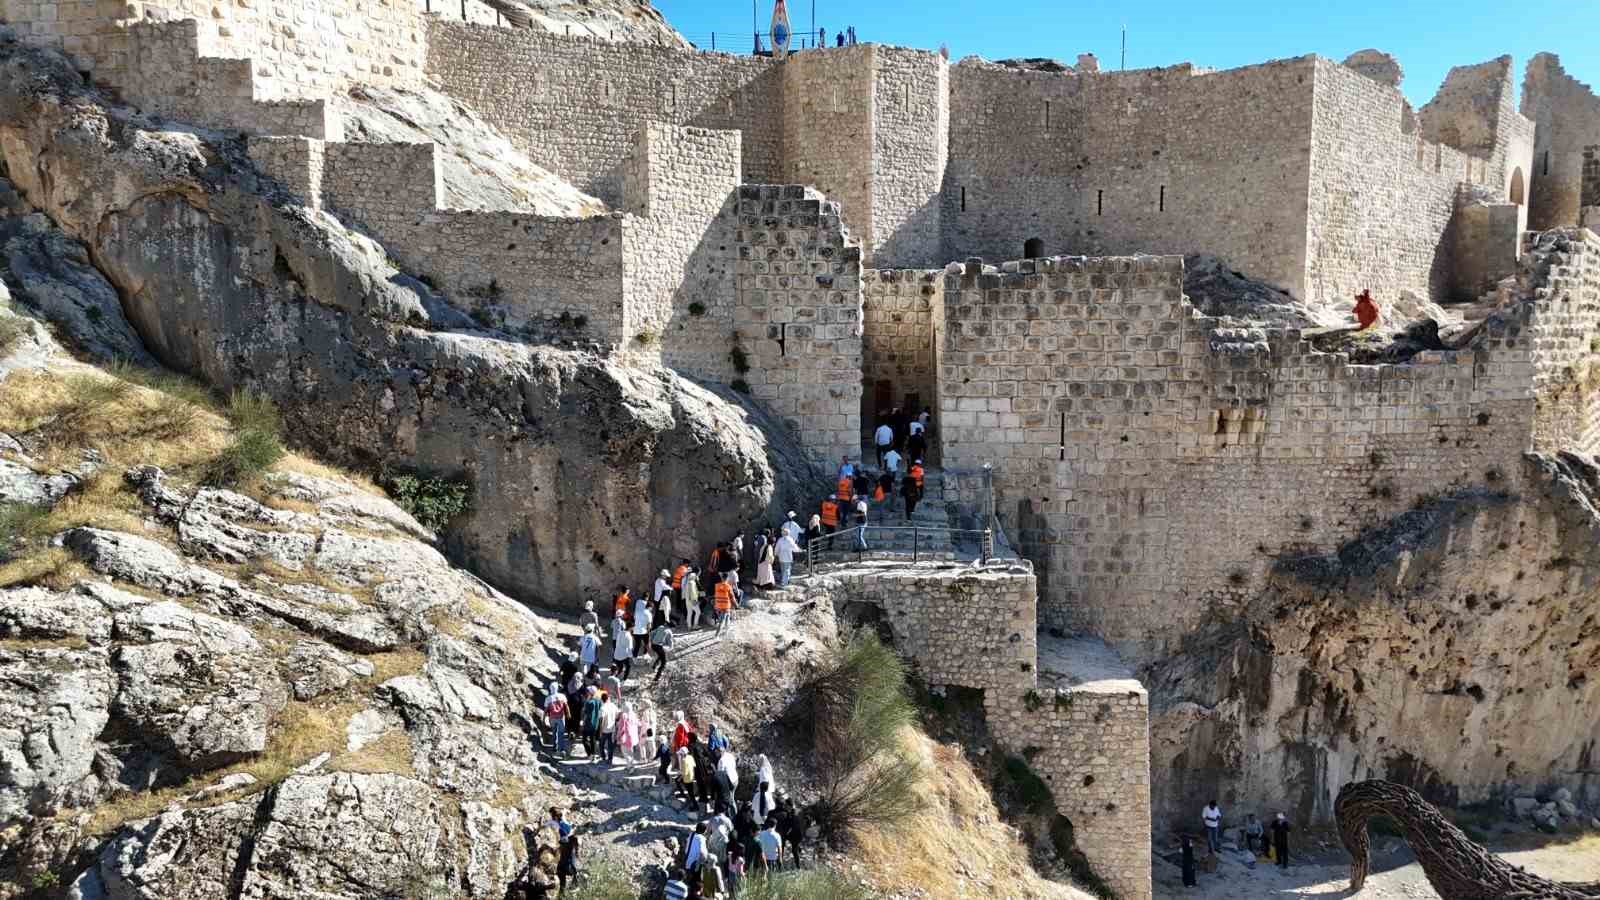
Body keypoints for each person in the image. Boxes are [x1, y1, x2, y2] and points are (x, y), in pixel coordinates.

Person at [555, 811, 579, 895]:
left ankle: (563, 893)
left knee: (563, 881)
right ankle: (563, 893)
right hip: (566, 865)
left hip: (565, 865)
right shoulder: (572, 842)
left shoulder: (567, 842)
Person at [543, 682, 568, 754]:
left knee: (554, 732)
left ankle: (554, 746)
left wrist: (544, 718)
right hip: (561, 717)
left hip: (552, 717)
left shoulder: (548, 698)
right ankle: (561, 748)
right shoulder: (562, 696)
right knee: (561, 732)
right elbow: (566, 706)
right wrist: (568, 714)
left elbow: (546, 710)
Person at [597, 691, 620, 765]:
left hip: (604, 730)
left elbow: (601, 720)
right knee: (611, 745)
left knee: (601, 744)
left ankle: (603, 757)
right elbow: (618, 715)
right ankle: (610, 759)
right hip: (612, 729)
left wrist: (600, 731)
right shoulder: (613, 705)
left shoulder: (602, 708)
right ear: (608, 698)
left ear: (602, 699)